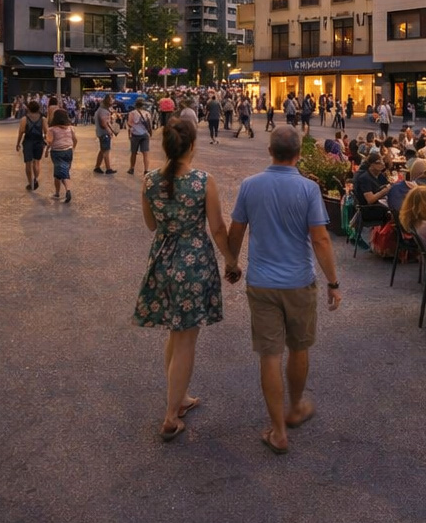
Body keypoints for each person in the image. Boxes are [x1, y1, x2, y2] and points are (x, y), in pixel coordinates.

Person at [226, 127, 342, 455]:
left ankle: (277, 431)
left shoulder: (250, 185)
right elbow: (320, 239)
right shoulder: (308, 189)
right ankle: (295, 407)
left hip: (262, 281)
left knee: (270, 354)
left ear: (269, 151)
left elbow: (236, 230)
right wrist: (333, 282)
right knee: (299, 348)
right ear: (298, 154)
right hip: (298, 282)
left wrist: (232, 263)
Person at [134, 118, 230, 441]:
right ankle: (171, 416)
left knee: (176, 335)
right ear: (191, 146)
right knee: (186, 339)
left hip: (162, 260)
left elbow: (151, 225)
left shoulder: (149, 180)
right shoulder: (203, 181)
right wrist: (231, 260)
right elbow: (218, 228)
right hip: (193, 264)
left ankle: (180, 397)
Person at [47, 108, 77, 203]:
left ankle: (66, 191)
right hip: (68, 152)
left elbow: (49, 141)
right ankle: (59, 192)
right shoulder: (70, 128)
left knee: (61, 173)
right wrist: (73, 149)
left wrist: (46, 145)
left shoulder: (52, 129)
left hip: (57, 152)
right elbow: (75, 140)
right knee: (62, 172)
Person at [17, 103, 48, 192]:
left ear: (28, 109)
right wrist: (46, 141)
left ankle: (30, 183)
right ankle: (35, 179)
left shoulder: (24, 119)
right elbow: (46, 132)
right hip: (39, 141)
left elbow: (21, 131)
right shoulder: (43, 119)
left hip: (28, 141)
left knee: (28, 163)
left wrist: (18, 143)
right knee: (36, 162)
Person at [128, 100, 155, 175]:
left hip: (135, 134)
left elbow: (129, 124)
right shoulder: (147, 113)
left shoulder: (132, 113)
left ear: (135, 105)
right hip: (145, 135)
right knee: (145, 154)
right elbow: (150, 124)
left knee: (133, 153)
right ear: (143, 106)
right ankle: (146, 170)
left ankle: (132, 168)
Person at [94, 96, 116, 173]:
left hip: (101, 133)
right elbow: (104, 123)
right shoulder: (103, 111)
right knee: (106, 151)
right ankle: (108, 169)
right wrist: (109, 131)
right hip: (104, 134)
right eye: (112, 100)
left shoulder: (100, 110)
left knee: (102, 150)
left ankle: (97, 167)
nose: (113, 101)